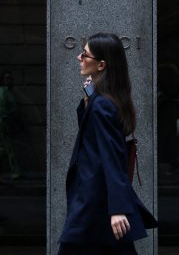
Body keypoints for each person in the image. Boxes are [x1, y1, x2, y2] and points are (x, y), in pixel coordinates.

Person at [58, 32, 155, 254]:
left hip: (94, 200)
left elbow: (112, 158)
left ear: (101, 65)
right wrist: (88, 98)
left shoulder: (103, 105)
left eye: (85, 54)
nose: (79, 58)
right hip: (94, 200)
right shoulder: (101, 100)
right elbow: (91, 137)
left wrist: (118, 209)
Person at [0, 71, 22, 181]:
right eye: (7, 78)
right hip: (3, 121)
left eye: (11, 78)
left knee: (1, 146)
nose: (10, 81)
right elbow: (1, 106)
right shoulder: (2, 91)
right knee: (9, 147)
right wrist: (5, 119)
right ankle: (15, 171)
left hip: (3, 120)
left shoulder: (5, 91)